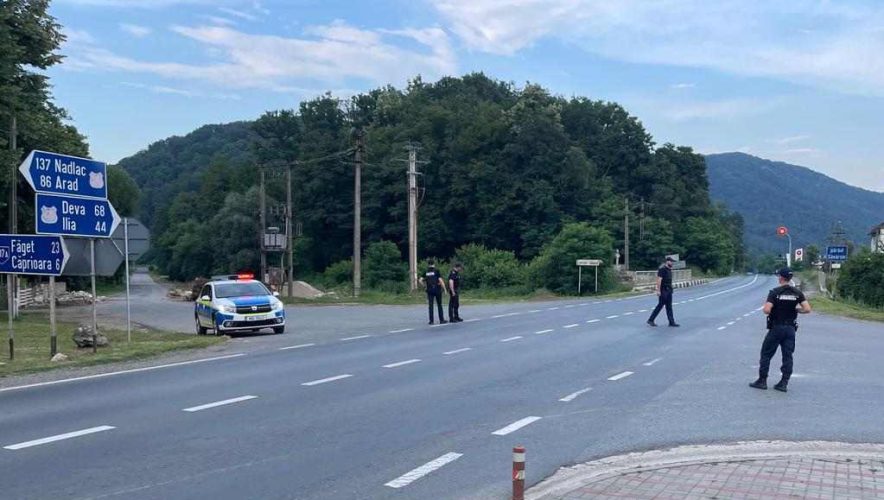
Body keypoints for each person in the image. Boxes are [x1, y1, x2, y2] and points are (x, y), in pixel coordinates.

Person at [750, 267, 811, 392]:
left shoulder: (775, 292)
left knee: (766, 354)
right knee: (787, 355)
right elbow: (807, 309)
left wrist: (775, 309)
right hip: (790, 329)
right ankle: (784, 383)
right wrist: (795, 310)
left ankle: (762, 380)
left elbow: (766, 310)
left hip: (776, 327)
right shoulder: (797, 293)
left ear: (781, 278)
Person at [647, 256, 680, 327]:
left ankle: (671, 322)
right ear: (667, 261)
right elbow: (659, 280)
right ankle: (650, 320)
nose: (672, 263)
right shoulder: (662, 270)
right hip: (663, 290)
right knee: (660, 306)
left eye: (672, 262)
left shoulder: (669, 270)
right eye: (671, 261)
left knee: (669, 307)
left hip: (669, 290)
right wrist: (658, 290)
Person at [420, 261, 447, 325]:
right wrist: (445, 289)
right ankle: (441, 320)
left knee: (430, 306)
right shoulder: (436, 271)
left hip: (429, 290)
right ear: (434, 264)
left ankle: (431, 321)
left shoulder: (426, 272)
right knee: (439, 305)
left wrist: (424, 286)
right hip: (437, 289)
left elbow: (420, 280)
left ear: (428, 264)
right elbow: (440, 280)